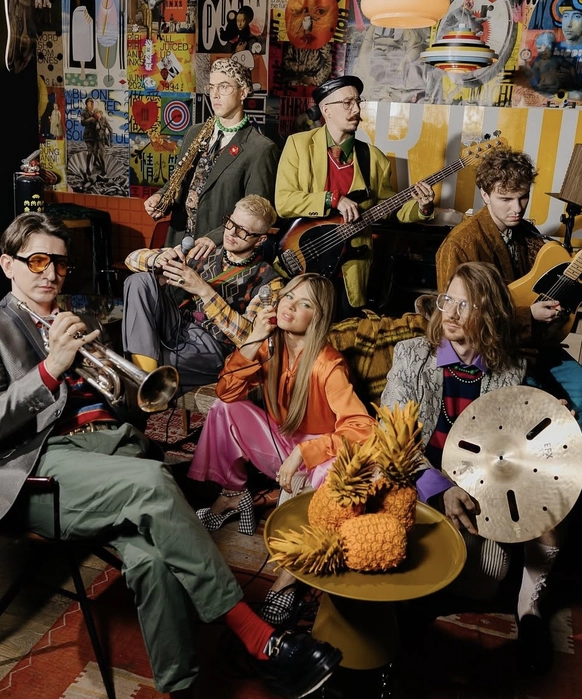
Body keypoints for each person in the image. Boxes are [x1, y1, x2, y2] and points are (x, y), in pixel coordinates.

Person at [0, 211, 342, 699]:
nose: (51, 273)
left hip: (112, 451)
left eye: (59, 263)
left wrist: (125, 388)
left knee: (153, 562)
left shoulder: (79, 318)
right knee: (156, 483)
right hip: (44, 469)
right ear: (7, 265)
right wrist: (52, 368)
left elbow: (120, 402)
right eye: (37, 261)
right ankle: (258, 637)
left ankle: (179, 686)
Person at [381, 261, 560, 675]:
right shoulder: (411, 355)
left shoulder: (510, 368)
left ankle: (528, 607)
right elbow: (391, 436)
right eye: (448, 301)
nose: (452, 313)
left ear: (490, 314)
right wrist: (439, 488)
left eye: (468, 305)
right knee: (398, 551)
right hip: (418, 480)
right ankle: (407, 616)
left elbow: (506, 451)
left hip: (475, 487)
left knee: (491, 573)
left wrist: (546, 421)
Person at [188, 272, 376, 623]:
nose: (290, 306)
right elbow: (227, 392)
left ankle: (289, 578)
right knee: (224, 408)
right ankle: (233, 496)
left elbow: (364, 429)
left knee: (339, 471)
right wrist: (254, 338)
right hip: (281, 443)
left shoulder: (328, 364)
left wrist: (307, 452)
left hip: (319, 458)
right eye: (288, 296)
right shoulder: (269, 346)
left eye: (304, 303)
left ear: (317, 317)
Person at [435, 146, 582, 429]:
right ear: (485, 194)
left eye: (523, 196)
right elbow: (456, 321)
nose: (517, 208)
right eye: (505, 199)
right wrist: (529, 316)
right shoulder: (459, 245)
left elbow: (546, 283)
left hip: (536, 345)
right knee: (548, 417)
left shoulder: (525, 233)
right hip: (490, 356)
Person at [274, 75, 436, 316]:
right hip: (306, 260)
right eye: (347, 103)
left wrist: (422, 207)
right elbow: (284, 202)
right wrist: (333, 199)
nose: (357, 110)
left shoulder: (374, 158)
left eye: (358, 102)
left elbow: (389, 208)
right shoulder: (298, 145)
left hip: (350, 273)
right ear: (326, 110)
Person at [122, 194, 284, 393]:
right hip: (178, 325)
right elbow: (131, 259)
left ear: (260, 240)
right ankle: (146, 381)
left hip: (213, 345)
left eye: (243, 231)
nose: (232, 233)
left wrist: (205, 291)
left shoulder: (268, 281)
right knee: (139, 281)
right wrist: (157, 260)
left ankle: (143, 382)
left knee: (152, 359)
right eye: (231, 223)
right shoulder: (204, 252)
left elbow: (250, 339)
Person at [143, 58, 280, 255]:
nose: (215, 94)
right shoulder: (195, 133)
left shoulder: (260, 149)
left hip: (218, 251)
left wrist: (215, 237)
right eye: (212, 87)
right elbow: (178, 181)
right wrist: (161, 198)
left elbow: (257, 214)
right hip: (178, 243)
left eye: (224, 87)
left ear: (243, 92)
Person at [80, 97, 98, 174]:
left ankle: (95, 165)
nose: (92, 104)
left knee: (96, 152)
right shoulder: (84, 112)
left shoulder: (94, 112)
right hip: (88, 135)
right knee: (90, 152)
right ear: (87, 104)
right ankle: (87, 168)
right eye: (90, 102)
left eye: (93, 102)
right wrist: (90, 119)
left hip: (95, 135)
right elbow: (82, 123)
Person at [93, 108, 114, 175]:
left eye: (97, 113)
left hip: (102, 140)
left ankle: (104, 170)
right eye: (95, 114)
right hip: (96, 140)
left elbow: (110, 130)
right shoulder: (94, 120)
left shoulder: (104, 119)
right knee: (94, 153)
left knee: (101, 155)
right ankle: (99, 165)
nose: (97, 115)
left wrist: (111, 141)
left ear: (100, 113)